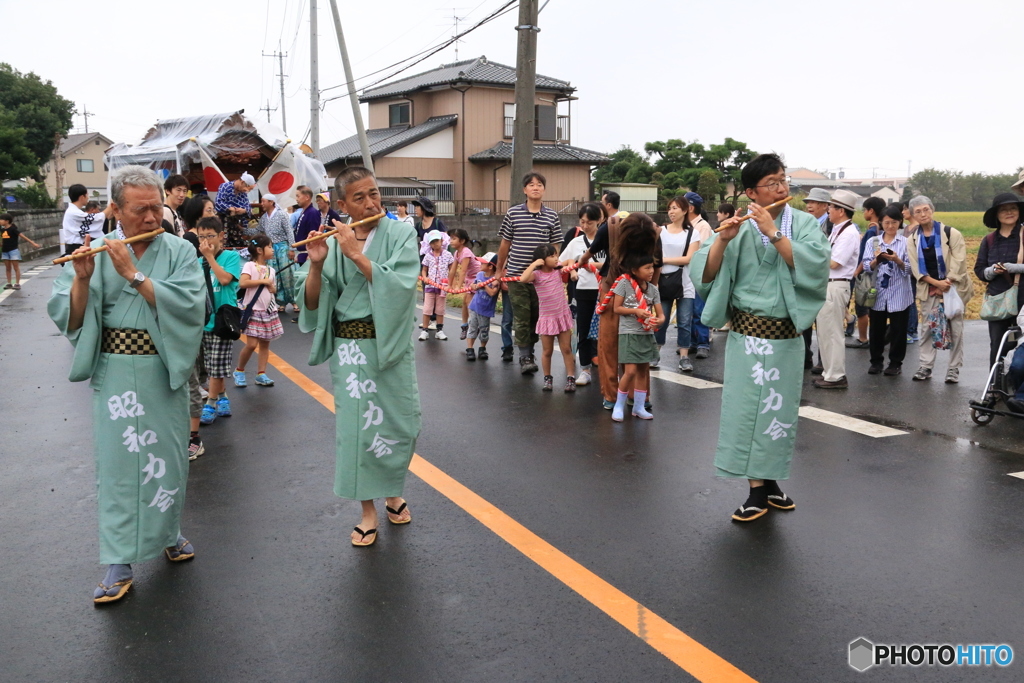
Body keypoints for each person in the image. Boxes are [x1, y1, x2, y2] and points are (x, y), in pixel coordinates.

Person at [47, 165, 205, 603]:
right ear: (115, 209)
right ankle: (119, 558)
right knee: (121, 467)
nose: (151, 218)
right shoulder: (95, 250)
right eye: (140, 210)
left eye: (157, 208)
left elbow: (191, 308)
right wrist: (82, 279)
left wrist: (134, 275)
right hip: (117, 370)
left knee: (168, 458)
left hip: (160, 368)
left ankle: (169, 532)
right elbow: (71, 317)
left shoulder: (179, 250)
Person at [690, 153, 829, 523]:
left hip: (785, 338)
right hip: (747, 338)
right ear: (752, 192)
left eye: (782, 180)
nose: (782, 187)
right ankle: (755, 491)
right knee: (745, 412)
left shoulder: (802, 223)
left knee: (777, 412)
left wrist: (774, 232)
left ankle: (771, 483)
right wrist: (724, 240)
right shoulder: (737, 225)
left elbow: (815, 265)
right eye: (772, 183)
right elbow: (704, 273)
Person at [297, 166, 421, 548]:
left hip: (390, 344)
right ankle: (368, 510)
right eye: (359, 197)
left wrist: (355, 253)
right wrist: (317, 264)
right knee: (357, 430)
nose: (371, 202)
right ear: (341, 205)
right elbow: (312, 303)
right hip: (351, 349)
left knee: (401, 423)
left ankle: (393, 490)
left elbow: (401, 287)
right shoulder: (332, 240)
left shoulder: (400, 232)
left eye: (374, 193)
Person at [581, 212, 662, 410]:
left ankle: (628, 396)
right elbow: (590, 252)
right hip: (620, 290)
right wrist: (581, 262)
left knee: (625, 344)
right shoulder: (611, 228)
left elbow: (657, 264)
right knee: (621, 344)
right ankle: (622, 395)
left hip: (632, 291)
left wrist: (648, 294)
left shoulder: (652, 233)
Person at [497, 171, 562, 375]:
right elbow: (505, 243)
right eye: (531, 184)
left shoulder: (552, 215)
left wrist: (552, 266)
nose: (536, 187)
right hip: (517, 274)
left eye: (540, 184)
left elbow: (556, 244)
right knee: (522, 316)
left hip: (542, 277)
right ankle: (525, 356)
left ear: (544, 189)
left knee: (537, 316)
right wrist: (500, 269)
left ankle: (531, 352)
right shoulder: (513, 213)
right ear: (525, 190)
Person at [906, 196, 973, 383]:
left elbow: (960, 263)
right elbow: (915, 268)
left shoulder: (951, 233)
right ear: (913, 215)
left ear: (932, 210)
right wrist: (936, 284)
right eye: (918, 211)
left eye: (926, 209)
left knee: (956, 328)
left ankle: (953, 369)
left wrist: (946, 282)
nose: (923, 214)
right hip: (929, 289)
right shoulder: (912, 239)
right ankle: (925, 366)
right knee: (927, 327)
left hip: (953, 288)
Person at [812, 189, 861, 389]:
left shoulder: (848, 233)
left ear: (841, 211)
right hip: (829, 285)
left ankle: (836, 376)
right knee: (824, 332)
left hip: (836, 284)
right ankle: (829, 372)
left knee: (832, 333)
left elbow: (834, 262)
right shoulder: (838, 229)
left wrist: (812, 260)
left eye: (831, 207)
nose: (829, 210)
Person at [197, 216, 241, 424]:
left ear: (221, 236)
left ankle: (211, 403)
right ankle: (223, 397)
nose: (206, 241)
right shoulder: (197, 263)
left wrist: (210, 259)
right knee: (212, 364)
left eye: (210, 236)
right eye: (201, 237)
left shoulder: (231, 257)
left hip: (224, 320)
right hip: (205, 320)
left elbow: (224, 280)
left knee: (216, 364)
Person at [610, 254, 664, 421]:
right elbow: (616, 308)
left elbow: (661, 315)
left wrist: (657, 322)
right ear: (635, 270)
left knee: (642, 371)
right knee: (630, 370)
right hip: (628, 333)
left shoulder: (653, 289)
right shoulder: (624, 284)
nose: (651, 271)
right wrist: (635, 311)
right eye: (647, 268)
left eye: (652, 267)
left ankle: (639, 407)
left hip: (646, 334)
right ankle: (619, 404)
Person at [862, 205, 914, 375]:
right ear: (881, 223)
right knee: (876, 329)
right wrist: (877, 260)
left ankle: (895, 363)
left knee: (898, 330)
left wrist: (897, 260)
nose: (890, 226)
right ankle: (876, 361)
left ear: (900, 223)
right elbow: (866, 266)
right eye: (886, 222)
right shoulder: (874, 242)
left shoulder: (906, 242)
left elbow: (911, 270)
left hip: (900, 292)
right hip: (878, 293)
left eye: (894, 222)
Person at [975, 192, 1024, 366]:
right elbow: (979, 270)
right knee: (998, 344)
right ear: (997, 215)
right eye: (1004, 209)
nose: (1009, 212)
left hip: (1022, 301)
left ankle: (1019, 389)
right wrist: (993, 270)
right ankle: (995, 387)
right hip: (998, 301)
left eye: (1013, 208)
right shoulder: (988, 240)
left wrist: (1012, 268)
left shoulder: (1023, 235)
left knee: (1021, 346)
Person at [559, 202, 605, 385]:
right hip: (583, 291)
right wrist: (573, 269)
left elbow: (614, 263)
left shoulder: (606, 239)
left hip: (604, 290)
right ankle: (585, 369)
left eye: (590, 222)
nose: (585, 226)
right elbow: (563, 262)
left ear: (599, 220)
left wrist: (588, 265)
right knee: (583, 331)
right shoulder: (576, 241)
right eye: (582, 221)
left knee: (606, 332)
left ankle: (610, 371)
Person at [520, 244, 576, 392]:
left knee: (566, 349)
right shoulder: (537, 275)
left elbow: (570, 260)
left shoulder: (557, 270)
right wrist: (533, 265)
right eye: (552, 256)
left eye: (556, 255)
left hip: (561, 316)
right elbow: (523, 278)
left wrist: (572, 271)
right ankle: (547, 378)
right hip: (547, 318)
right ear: (542, 260)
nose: (556, 258)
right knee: (547, 351)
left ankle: (570, 378)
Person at [655, 196, 700, 372]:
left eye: (675, 208)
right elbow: (654, 256)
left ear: (685, 210)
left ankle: (684, 357)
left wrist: (664, 260)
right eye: (669, 208)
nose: (671, 211)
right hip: (663, 282)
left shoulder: (692, 233)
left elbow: (689, 258)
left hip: (685, 282)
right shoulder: (661, 231)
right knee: (661, 320)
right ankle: (655, 353)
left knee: (684, 321)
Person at [233, 234, 282, 387]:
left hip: (268, 311)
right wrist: (263, 281)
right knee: (252, 344)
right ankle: (239, 370)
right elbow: (243, 283)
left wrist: (272, 287)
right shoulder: (249, 266)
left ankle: (261, 373)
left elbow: (272, 289)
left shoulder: (271, 270)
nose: (272, 250)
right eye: (270, 247)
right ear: (260, 250)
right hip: (253, 311)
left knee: (265, 344)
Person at [847, 196, 887, 349]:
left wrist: (856, 272)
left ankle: (863, 338)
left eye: (864, 210)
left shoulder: (872, 230)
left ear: (871, 211)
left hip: (866, 273)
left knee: (862, 306)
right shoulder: (880, 229)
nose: (863, 213)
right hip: (875, 273)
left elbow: (867, 255)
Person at [802, 187, 833, 368]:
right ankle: (806, 357)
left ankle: (823, 361)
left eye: (813, 203)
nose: (809, 206)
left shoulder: (832, 225)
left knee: (823, 322)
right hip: (806, 278)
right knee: (805, 320)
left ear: (824, 206)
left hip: (824, 279)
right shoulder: (806, 223)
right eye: (808, 203)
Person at [684, 192, 713, 359]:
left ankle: (703, 343)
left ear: (690, 207)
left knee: (699, 309)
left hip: (699, 273)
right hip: (687, 273)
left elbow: (701, 253)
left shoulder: (702, 226)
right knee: (690, 310)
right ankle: (693, 342)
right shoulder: (686, 225)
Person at [257, 193, 297, 311]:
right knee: (276, 275)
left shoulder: (282, 214)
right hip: (271, 249)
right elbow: (258, 230)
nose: (262, 204)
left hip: (283, 247)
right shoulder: (264, 217)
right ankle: (281, 302)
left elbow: (289, 232)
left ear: (271, 202)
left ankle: (294, 301)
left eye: (263, 201)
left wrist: (291, 248)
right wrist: (242, 229)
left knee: (287, 274)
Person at [419, 229, 455, 341]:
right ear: (429, 244)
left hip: (442, 287)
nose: (435, 244)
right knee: (427, 308)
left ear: (442, 240)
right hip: (430, 286)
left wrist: (450, 284)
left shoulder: (448, 255)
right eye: (432, 242)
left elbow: (452, 270)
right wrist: (425, 277)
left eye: (437, 241)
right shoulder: (428, 255)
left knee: (440, 309)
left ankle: (439, 330)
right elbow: (424, 269)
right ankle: (424, 330)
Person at [60, 183, 112, 259]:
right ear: (82, 197)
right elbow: (97, 218)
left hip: (79, 247)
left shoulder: (74, 211)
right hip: (75, 248)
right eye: (87, 195)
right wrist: (111, 205)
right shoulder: (73, 212)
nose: (88, 197)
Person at [465, 253, 500, 361]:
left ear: (490, 266)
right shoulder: (480, 274)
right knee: (472, 327)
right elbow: (474, 285)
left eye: (482, 263)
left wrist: (484, 285)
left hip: (486, 309)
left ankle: (482, 348)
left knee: (484, 330)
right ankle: (470, 349)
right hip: (475, 306)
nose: (480, 264)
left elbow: (493, 293)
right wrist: (474, 286)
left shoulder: (495, 279)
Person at [448, 228, 480, 339]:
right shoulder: (457, 253)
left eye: (454, 238)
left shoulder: (466, 252)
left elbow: (462, 271)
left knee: (469, 302)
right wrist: (449, 285)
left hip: (476, 278)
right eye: (450, 238)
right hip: (469, 278)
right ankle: (464, 325)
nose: (451, 241)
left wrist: (458, 287)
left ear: (461, 241)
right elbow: (453, 270)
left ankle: (474, 325)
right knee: (464, 303)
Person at [214, 172, 255, 248]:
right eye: (246, 188)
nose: (246, 191)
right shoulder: (225, 187)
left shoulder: (243, 194)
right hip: (223, 222)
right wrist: (229, 208)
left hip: (237, 225)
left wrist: (244, 210)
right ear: (242, 182)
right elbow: (218, 202)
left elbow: (248, 208)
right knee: (223, 243)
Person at [1, 214, 41, 289]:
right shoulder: (2, 230)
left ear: (7, 221)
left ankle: (17, 283)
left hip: (13, 251)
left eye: (1, 219)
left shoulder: (13, 229)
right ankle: (9, 283)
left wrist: (33, 243)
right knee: (7, 268)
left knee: (16, 268)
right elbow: (3, 240)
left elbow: (23, 237)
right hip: (5, 251)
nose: (0, 221)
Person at [292, 186, 321, 266]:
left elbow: (314, 234)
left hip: (308, 253)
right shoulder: (304, 212)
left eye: (298, 196)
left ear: (307, 197)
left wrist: (310, 254)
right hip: (302, 252)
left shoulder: (312, 213)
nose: (296, 199)